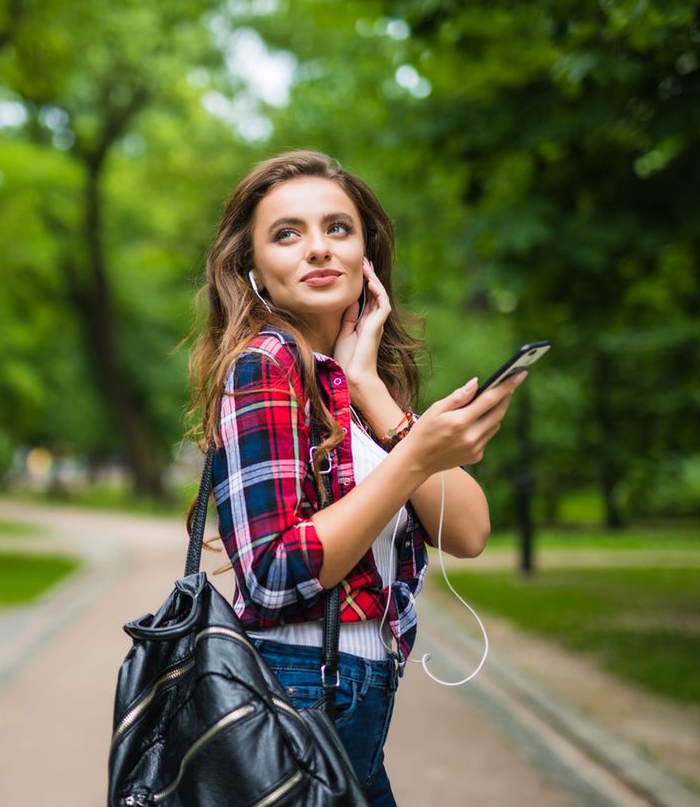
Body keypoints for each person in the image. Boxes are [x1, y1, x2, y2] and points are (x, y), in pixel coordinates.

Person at [187, 151, 526, 806]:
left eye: (337, 228)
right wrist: (415, 455)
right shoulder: (266, 363)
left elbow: (471, 531)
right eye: (287, 234)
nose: (317, 248)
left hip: (355, 697)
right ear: (250, 266)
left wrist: (372, 389)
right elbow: (274, 572)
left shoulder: (355, 380)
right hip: (299, 690)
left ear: (366, 252)